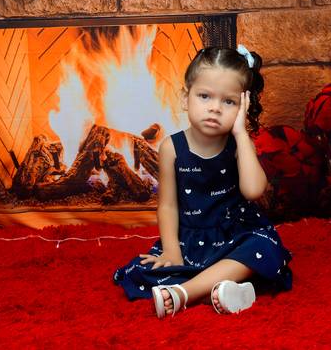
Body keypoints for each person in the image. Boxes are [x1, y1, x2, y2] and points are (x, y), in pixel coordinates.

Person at [113, 45, 292, 317]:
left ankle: (184, 293)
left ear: (243, 107)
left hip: (235, 235)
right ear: (186, 98)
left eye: (229, 102)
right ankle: (221, 290)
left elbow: (254, 190)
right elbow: (168, 206)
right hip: (191, 240)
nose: (214, 108)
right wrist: (171, 251)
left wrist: (241, 134)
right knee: (148, 271)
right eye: (204, 96)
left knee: (264, 247)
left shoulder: (238, 146)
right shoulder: (171, 148)